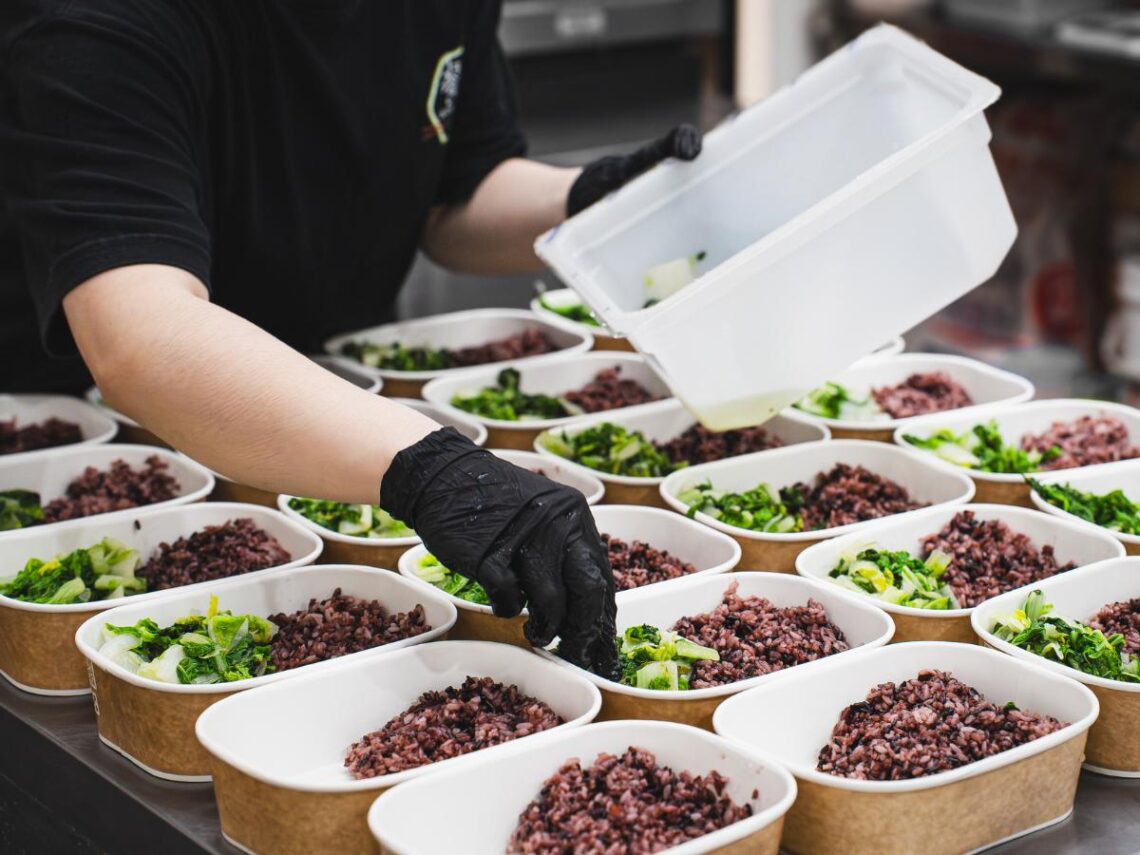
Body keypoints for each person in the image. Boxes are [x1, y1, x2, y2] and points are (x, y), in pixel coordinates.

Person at [0, 0, 701, 676]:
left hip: (327, 401)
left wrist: (595, 203)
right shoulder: (96, 19)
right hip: (66, 447)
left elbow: (457, 194)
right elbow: (139, 336)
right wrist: (430, 471)